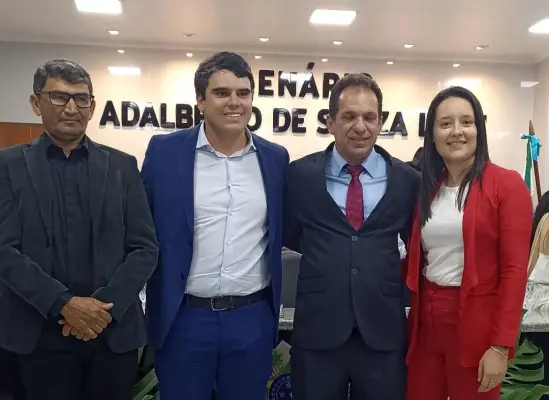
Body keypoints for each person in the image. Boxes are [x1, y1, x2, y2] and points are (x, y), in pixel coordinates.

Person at [0, 59, 159, 400]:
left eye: (81, 98)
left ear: (92, 107)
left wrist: (98, 310)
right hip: (37, 338)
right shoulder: (7, 166)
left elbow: (145, 248)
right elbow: (4, 250)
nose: (71, 108)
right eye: (59, 97)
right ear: (36, 103)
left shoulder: (122, 167)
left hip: (111, 335)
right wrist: (63, 304)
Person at [142, 51, 289, 400]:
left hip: (251, 319)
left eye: (243, 93)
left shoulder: (275, 158)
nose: (234, 102)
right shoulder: (164, 152)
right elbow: (141, 226)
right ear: (201, 101)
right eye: (222, 93)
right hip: (184, 318)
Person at [284, 73, 419, 400]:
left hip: (382, 332)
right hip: (318, 331)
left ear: (380, 122)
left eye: (370, 117)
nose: (361, 127)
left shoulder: (407, 180)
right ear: (330, 122)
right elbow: (290, 234)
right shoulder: (300, 176)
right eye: (349, 117)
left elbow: (416, 245)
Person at [404, 86, 532, 400]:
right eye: (445, 123)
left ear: (479, 129)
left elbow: (515, 271)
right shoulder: (429, 189)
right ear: (432, 134)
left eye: (466, 122)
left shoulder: (506, 185)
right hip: (426, 322)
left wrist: (500, 346)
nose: (456, 131)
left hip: (476, 325)